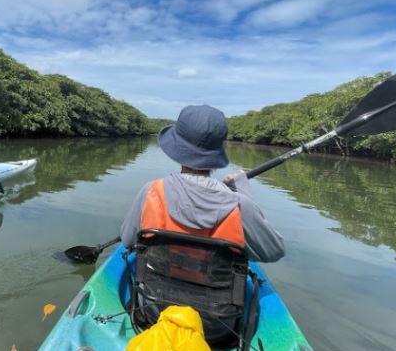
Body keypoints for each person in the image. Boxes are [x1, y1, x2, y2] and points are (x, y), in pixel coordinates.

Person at [120, 103, 284, 263]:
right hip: (218, 289)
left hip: (152, 288)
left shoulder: (150, 191)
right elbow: (274, 252)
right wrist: (242, 194)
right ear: (217, 151)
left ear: (176, 147)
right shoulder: (240, 205)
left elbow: (127, 241)